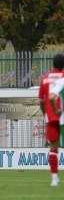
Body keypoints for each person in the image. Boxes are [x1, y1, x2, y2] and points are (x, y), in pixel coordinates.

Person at [39, 54, 64, 187]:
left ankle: (54, 178)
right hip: (61, 113)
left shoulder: (45, 79)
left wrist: (46, 114)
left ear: (53, 64)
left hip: (51, 116)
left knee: (53, 148)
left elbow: (42, 101)